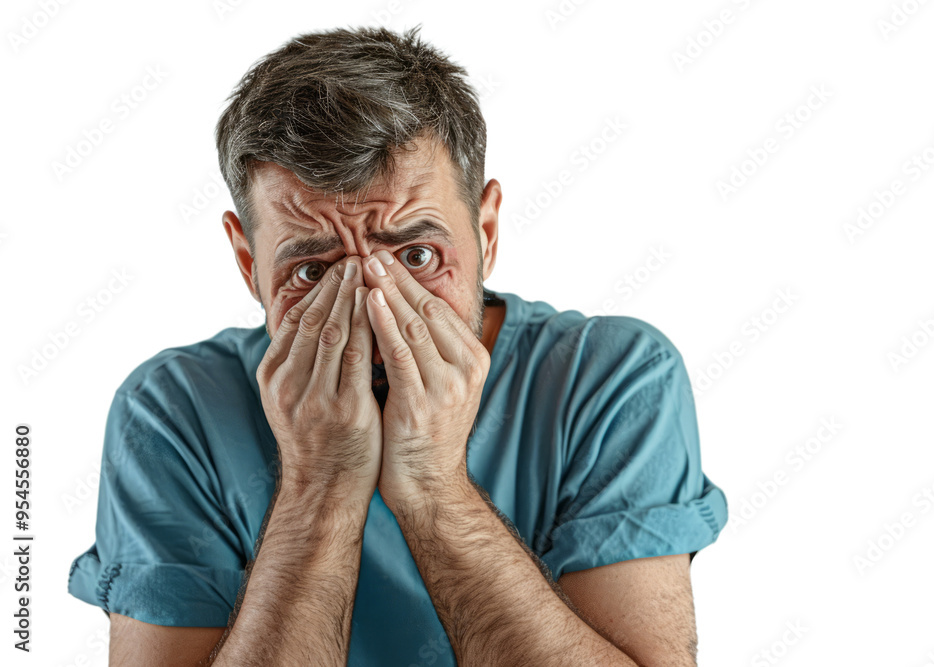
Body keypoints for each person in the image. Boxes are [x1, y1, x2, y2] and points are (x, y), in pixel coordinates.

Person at [67, 25, 728, 666]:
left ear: (487, 230)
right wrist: (320, 486)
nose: (375, 315)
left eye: (416, 254)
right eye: (313, 272)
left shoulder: (612, 379)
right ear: (247, 261)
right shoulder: (173, 412)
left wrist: (435, 488)